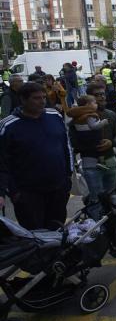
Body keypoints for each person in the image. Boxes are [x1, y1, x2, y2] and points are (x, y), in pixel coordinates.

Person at [0, 82, 72, 230]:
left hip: (58, 188)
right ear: (23, 100)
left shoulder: (55, 116)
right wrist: (13, 192)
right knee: (34, 235)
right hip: (27, 193)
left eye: (44, 97)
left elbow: (67, 147)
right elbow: (2, 162)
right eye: (36, 98)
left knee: (57, 230)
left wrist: (68, 177)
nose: (42, 101)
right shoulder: (8, 126)